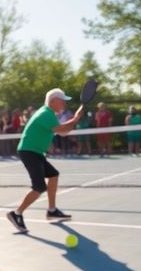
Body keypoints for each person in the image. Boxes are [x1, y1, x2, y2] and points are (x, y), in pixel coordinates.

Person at [6, 89, 83, 233]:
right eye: (62, 100)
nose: (64, 104)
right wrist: (76, 118)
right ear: (53, 100)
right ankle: (16, 214)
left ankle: (52, 210)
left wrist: (73, 121)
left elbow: (64, 132)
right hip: (29, 152)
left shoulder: (49, 114)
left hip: (36, 152)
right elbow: (62, 129)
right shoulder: (45, 113)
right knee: (39, 187)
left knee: (53, 175)